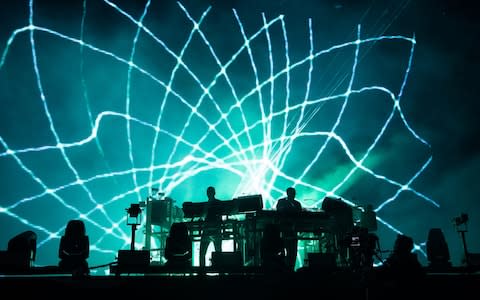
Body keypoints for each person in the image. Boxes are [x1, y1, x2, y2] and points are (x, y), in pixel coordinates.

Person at [275, 187, 302, 271]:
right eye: (292, 193)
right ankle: (286, 270)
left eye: (293, 193)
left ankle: (289, 270)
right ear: (288, 193)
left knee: (292, 252)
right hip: (285, 229)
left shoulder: (295, 203)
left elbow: (299, 215)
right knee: (286, 251)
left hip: (291, 230)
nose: (293, 195)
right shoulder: (284, 202)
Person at [199, 186, 223, 267]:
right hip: (215, 230)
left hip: (207, 231)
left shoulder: (206, 205)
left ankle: (202, 272)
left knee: (202, 253)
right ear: (214, 193)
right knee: (218, 252)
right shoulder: (219, 203)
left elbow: (203, 216)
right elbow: (221, 216)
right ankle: (220, 271)